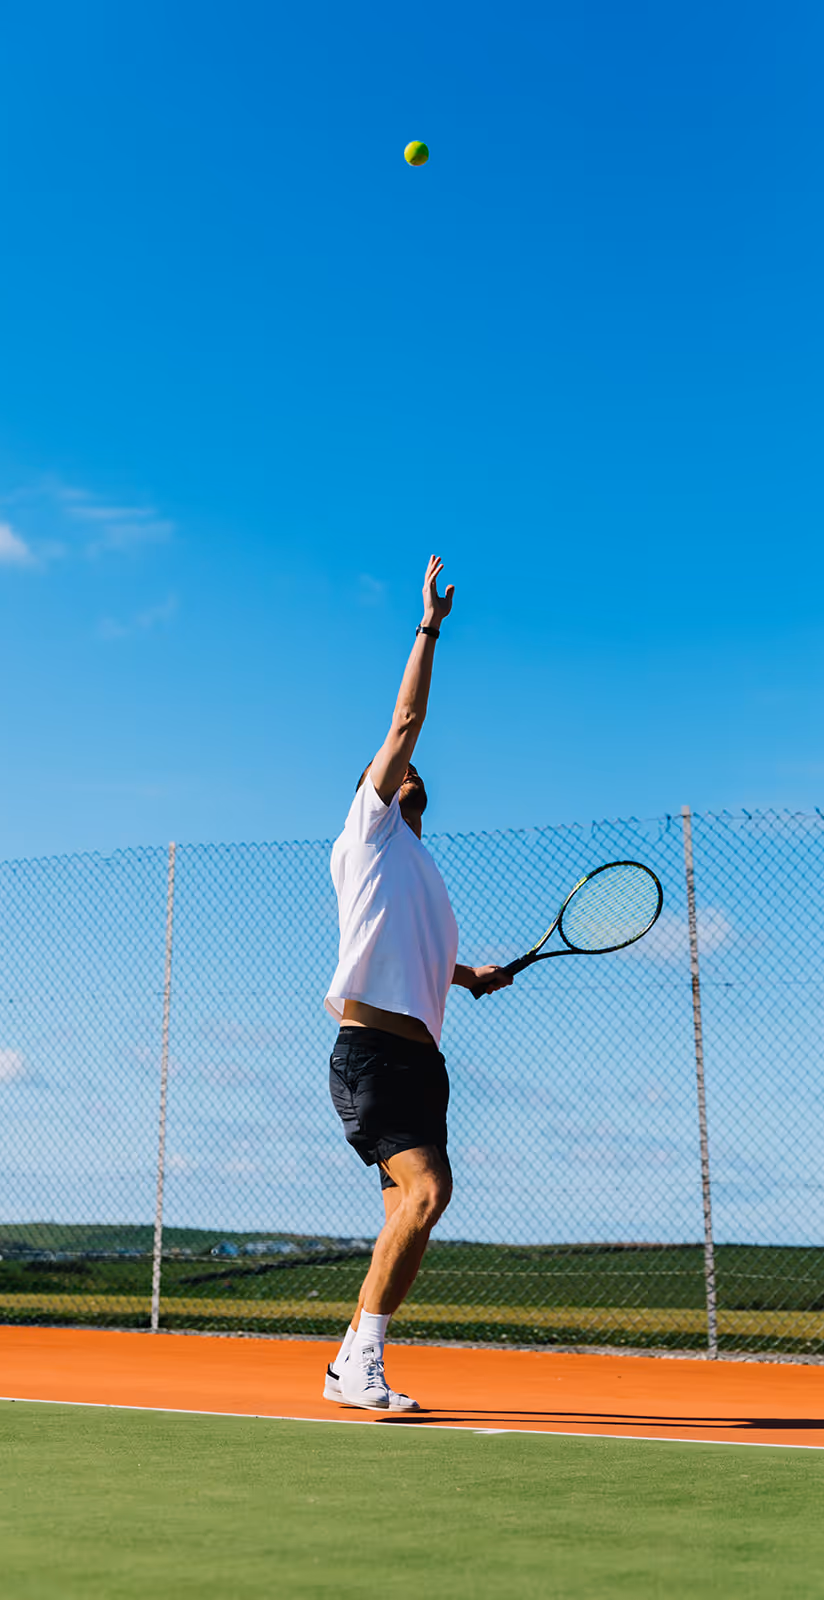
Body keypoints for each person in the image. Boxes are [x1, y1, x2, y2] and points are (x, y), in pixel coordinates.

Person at [322, 554, 512, 1411]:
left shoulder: (422, 868)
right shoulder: (367, 836)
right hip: (368, 1055)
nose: (406, 766)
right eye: (395, 766)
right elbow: (405, 716)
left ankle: (348, 1362)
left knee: (411, 1205)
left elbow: (420, 962)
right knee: (430, 1191)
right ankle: (362, 1364)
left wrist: (470, 976)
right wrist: (429, 625)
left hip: (419, 1059)